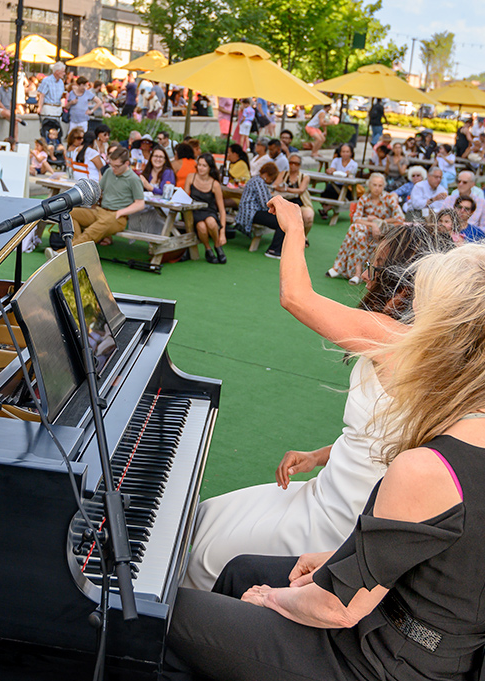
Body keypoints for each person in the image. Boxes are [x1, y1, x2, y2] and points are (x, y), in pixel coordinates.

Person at [163, 229, 485, 681]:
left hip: (388, 657)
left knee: (169, 614)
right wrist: (340, 557)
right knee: (240, 570)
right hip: (429, 624)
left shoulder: (425, 466)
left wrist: (271, 599)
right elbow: (446, 552)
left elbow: (339, 608)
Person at [184, 219, 448, 591]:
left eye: (375, 270)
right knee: (212, 515)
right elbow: (383, 435)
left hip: (338, 517)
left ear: (401, 284)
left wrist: (293, 228)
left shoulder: (396, 339)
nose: (366, 277)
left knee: (211, 556)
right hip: (329, 488)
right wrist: (319, 456)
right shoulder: (418, 339)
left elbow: (296, 297)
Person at [329, 173, 404, 282]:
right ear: (369, 185)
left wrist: (379, 221)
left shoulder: (389, 198)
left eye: (380, 185)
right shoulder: (364, 198)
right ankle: (358, 273)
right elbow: (356, 218)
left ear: (383, 186)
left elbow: (400, 217)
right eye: (374, 185)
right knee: (358, 233)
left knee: (355, 228)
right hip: (367, 231)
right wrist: (372, 224)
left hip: (385, 230)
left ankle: (338, 267)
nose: (377, 188)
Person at [69, 146, 146, 246]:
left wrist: (119, 213)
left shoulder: (134, 179)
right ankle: (72, 249)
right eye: (111, 165)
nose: (113, 168)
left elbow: (140, 204)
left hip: (118, 216)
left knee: (93, 230)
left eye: (117, 166)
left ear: (127, 163)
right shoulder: (109, 172)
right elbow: (99, 191)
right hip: (101, 211)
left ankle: (66, 253)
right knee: (69, 213)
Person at [189, 155, 229, 264]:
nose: (201, 168)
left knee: (211, 222)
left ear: (210, 168)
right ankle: (208, 248)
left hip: (209, 211)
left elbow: (222, 210)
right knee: (201, 226)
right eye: (199, 165)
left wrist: (223, 232)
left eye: (204, 166)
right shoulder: (191, 177)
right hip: (194, 210)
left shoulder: (214, 184)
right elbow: (184, 197)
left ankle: (217, 245)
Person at [272, 154, 314, 227]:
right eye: (291, 163)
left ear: (300, 165)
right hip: (285, 202)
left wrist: (285, 189)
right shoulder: (283, 173)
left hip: (300, 202)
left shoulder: (304, 177)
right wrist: (287, 189)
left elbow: (301, 190)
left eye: (296, 163)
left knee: (308, 217)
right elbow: (275, 186)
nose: (293, 165)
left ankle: (304, 236)